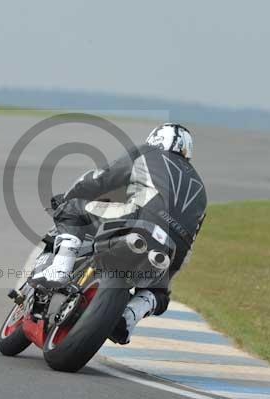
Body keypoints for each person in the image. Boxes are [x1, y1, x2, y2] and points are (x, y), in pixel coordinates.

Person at [30, 123, 207, 344]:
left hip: (139, 219)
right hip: (172, 247)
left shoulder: (148, 152)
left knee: (73, 208)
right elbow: (189, 241)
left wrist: (67, 196)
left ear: (157, 139)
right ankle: (130, 316)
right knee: (158, 293)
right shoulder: (201, 189)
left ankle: (60, 268)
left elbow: (101, 178)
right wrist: (165, 279)